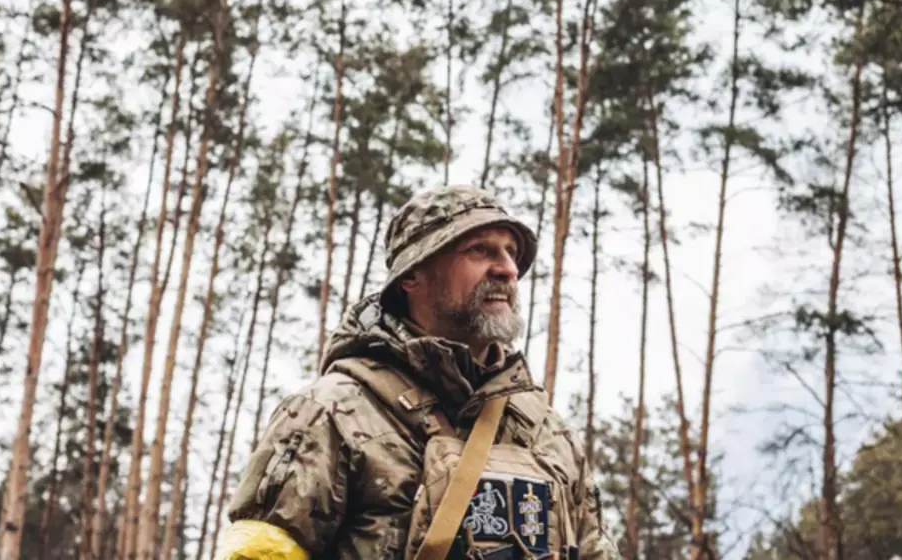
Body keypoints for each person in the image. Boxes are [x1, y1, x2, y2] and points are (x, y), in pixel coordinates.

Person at [220, 185, 620, 560]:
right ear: (412, 276)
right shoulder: (332, 410)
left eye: (511, 253)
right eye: (480, 250)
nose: (507, 269)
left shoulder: (547, 433)